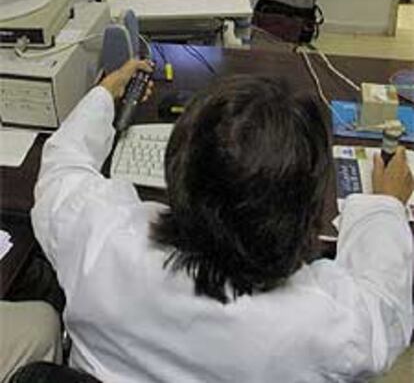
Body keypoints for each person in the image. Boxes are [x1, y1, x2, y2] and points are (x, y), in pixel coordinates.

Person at [29, 59, 413, 382]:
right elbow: (384, 305)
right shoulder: (323, 324)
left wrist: (104, 94)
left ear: (177, 166)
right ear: (304, 207)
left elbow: (62, 168)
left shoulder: (100, 237)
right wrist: (384, 206)